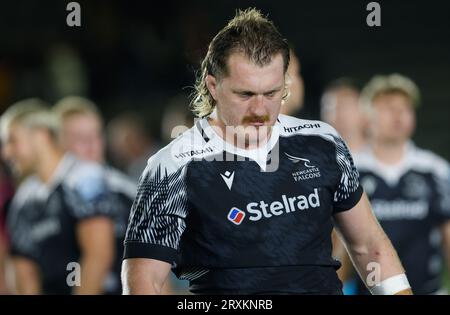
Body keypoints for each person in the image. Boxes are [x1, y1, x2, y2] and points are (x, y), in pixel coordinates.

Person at [121, 8, 411, 295]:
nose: (259, 110)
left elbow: (369, 246)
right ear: (213, 86)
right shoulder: (171, 167)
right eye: (245, 94)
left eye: (272, 93)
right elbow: (145, 281)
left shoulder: (323, 141)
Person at [0, 99, 115, 294]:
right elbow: (23, 270)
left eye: (12, 140)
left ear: (40, 135)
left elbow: (98, 255)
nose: (6, 152)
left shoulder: (85, 178)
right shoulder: (23, 200)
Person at [351, 74, 450, 294]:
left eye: (405, 108)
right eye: (388, 107)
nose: (398, 115)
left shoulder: (435, 170)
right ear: (367, 117)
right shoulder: (350, 170)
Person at [53, 96, 141, 294]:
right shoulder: (48, 195)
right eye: (80, 138)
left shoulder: (127, 190)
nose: (92, 144)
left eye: (97, 135)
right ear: (59, 142)